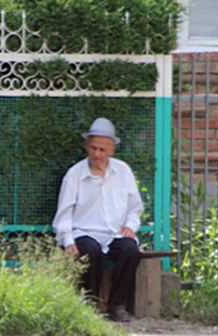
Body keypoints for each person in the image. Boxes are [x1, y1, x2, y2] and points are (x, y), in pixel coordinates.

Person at [52, 118, 143, 322]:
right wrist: (68, 241)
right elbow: (64, 213)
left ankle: (117, 305)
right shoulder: (74, 174)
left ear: (111, 150)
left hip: (114, 233)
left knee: (130, 250)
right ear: (86, 147)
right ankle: (89, 306)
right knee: (89, 252)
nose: (97, 154)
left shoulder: (123, 171)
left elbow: (135, 207)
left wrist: (130, 225)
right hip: (84, 232)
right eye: (93, 148)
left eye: (102, 149)